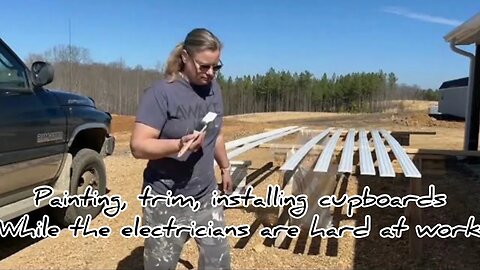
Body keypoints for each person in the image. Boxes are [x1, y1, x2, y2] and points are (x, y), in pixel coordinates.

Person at [130, 28, 232, 269]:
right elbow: (138, 146)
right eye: (204, 66)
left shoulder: (214, 89)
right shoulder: (161, 93)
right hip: (166, 198)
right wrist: (177, 145)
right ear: (185, 57)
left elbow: (216, 133)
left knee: (218, 262)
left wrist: (225, 167)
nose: (210, 73)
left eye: (216, 67)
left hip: (205, 195)